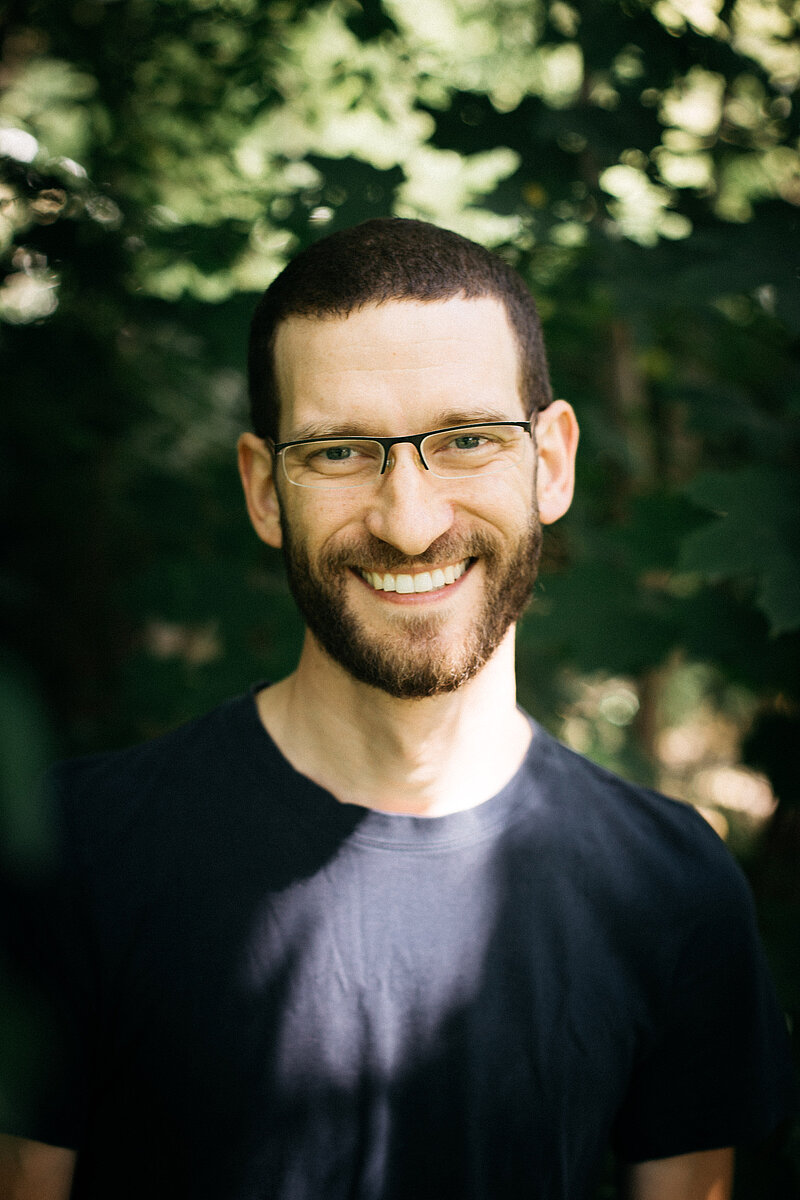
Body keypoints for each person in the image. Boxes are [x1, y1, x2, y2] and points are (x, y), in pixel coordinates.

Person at [1, 218, 794, 1200]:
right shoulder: (73, 853)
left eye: (464, 440)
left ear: (550, 462)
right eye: (339, 452)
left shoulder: (672, 888)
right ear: (263, 489)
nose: (409, 523)